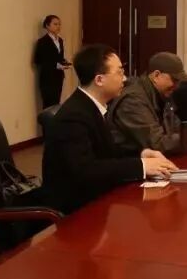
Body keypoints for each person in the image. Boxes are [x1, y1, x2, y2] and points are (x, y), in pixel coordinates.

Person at [42, 45, 176, 214]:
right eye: (119, 72)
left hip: (96, 200)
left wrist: (141, 154)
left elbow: (107, 154)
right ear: (99, 80)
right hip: (75, 211)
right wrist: (141, 166)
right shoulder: (73, 116)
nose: (125, 78)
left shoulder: (92, 107)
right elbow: (85, 171)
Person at [109, 52, 187, 156]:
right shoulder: (133, 100)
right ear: (156, 75)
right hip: (132, 168)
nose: (177, 86)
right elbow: (157, 143)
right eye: (174, 80)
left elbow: (177, 129)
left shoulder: (162, 95)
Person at [33, 14, 70, 109]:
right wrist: (56, 65)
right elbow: (38, 60)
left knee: (56, 103)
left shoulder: (60, 40)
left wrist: (63, 62)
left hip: (58, 76)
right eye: (55, 24)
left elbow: (58, 57)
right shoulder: (42, 41)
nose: (58, 27)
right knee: (48, 104)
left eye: (59, 24)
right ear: (47, 26)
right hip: (47, 78)